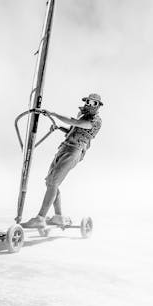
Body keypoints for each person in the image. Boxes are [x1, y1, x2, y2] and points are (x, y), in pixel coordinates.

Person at [21, 93, 103, 228]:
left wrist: (53, 114)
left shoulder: (96, 121)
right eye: (88, 101)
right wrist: (59, 127)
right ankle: (58, 217)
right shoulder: (82, 115)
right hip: (65, 147)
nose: (89, 104)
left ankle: (40, 218)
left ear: (98, 106)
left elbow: (75, 123)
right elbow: (73, 129)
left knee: (53, 182)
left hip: (74, 151)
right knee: (50, 182)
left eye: (94, 103)